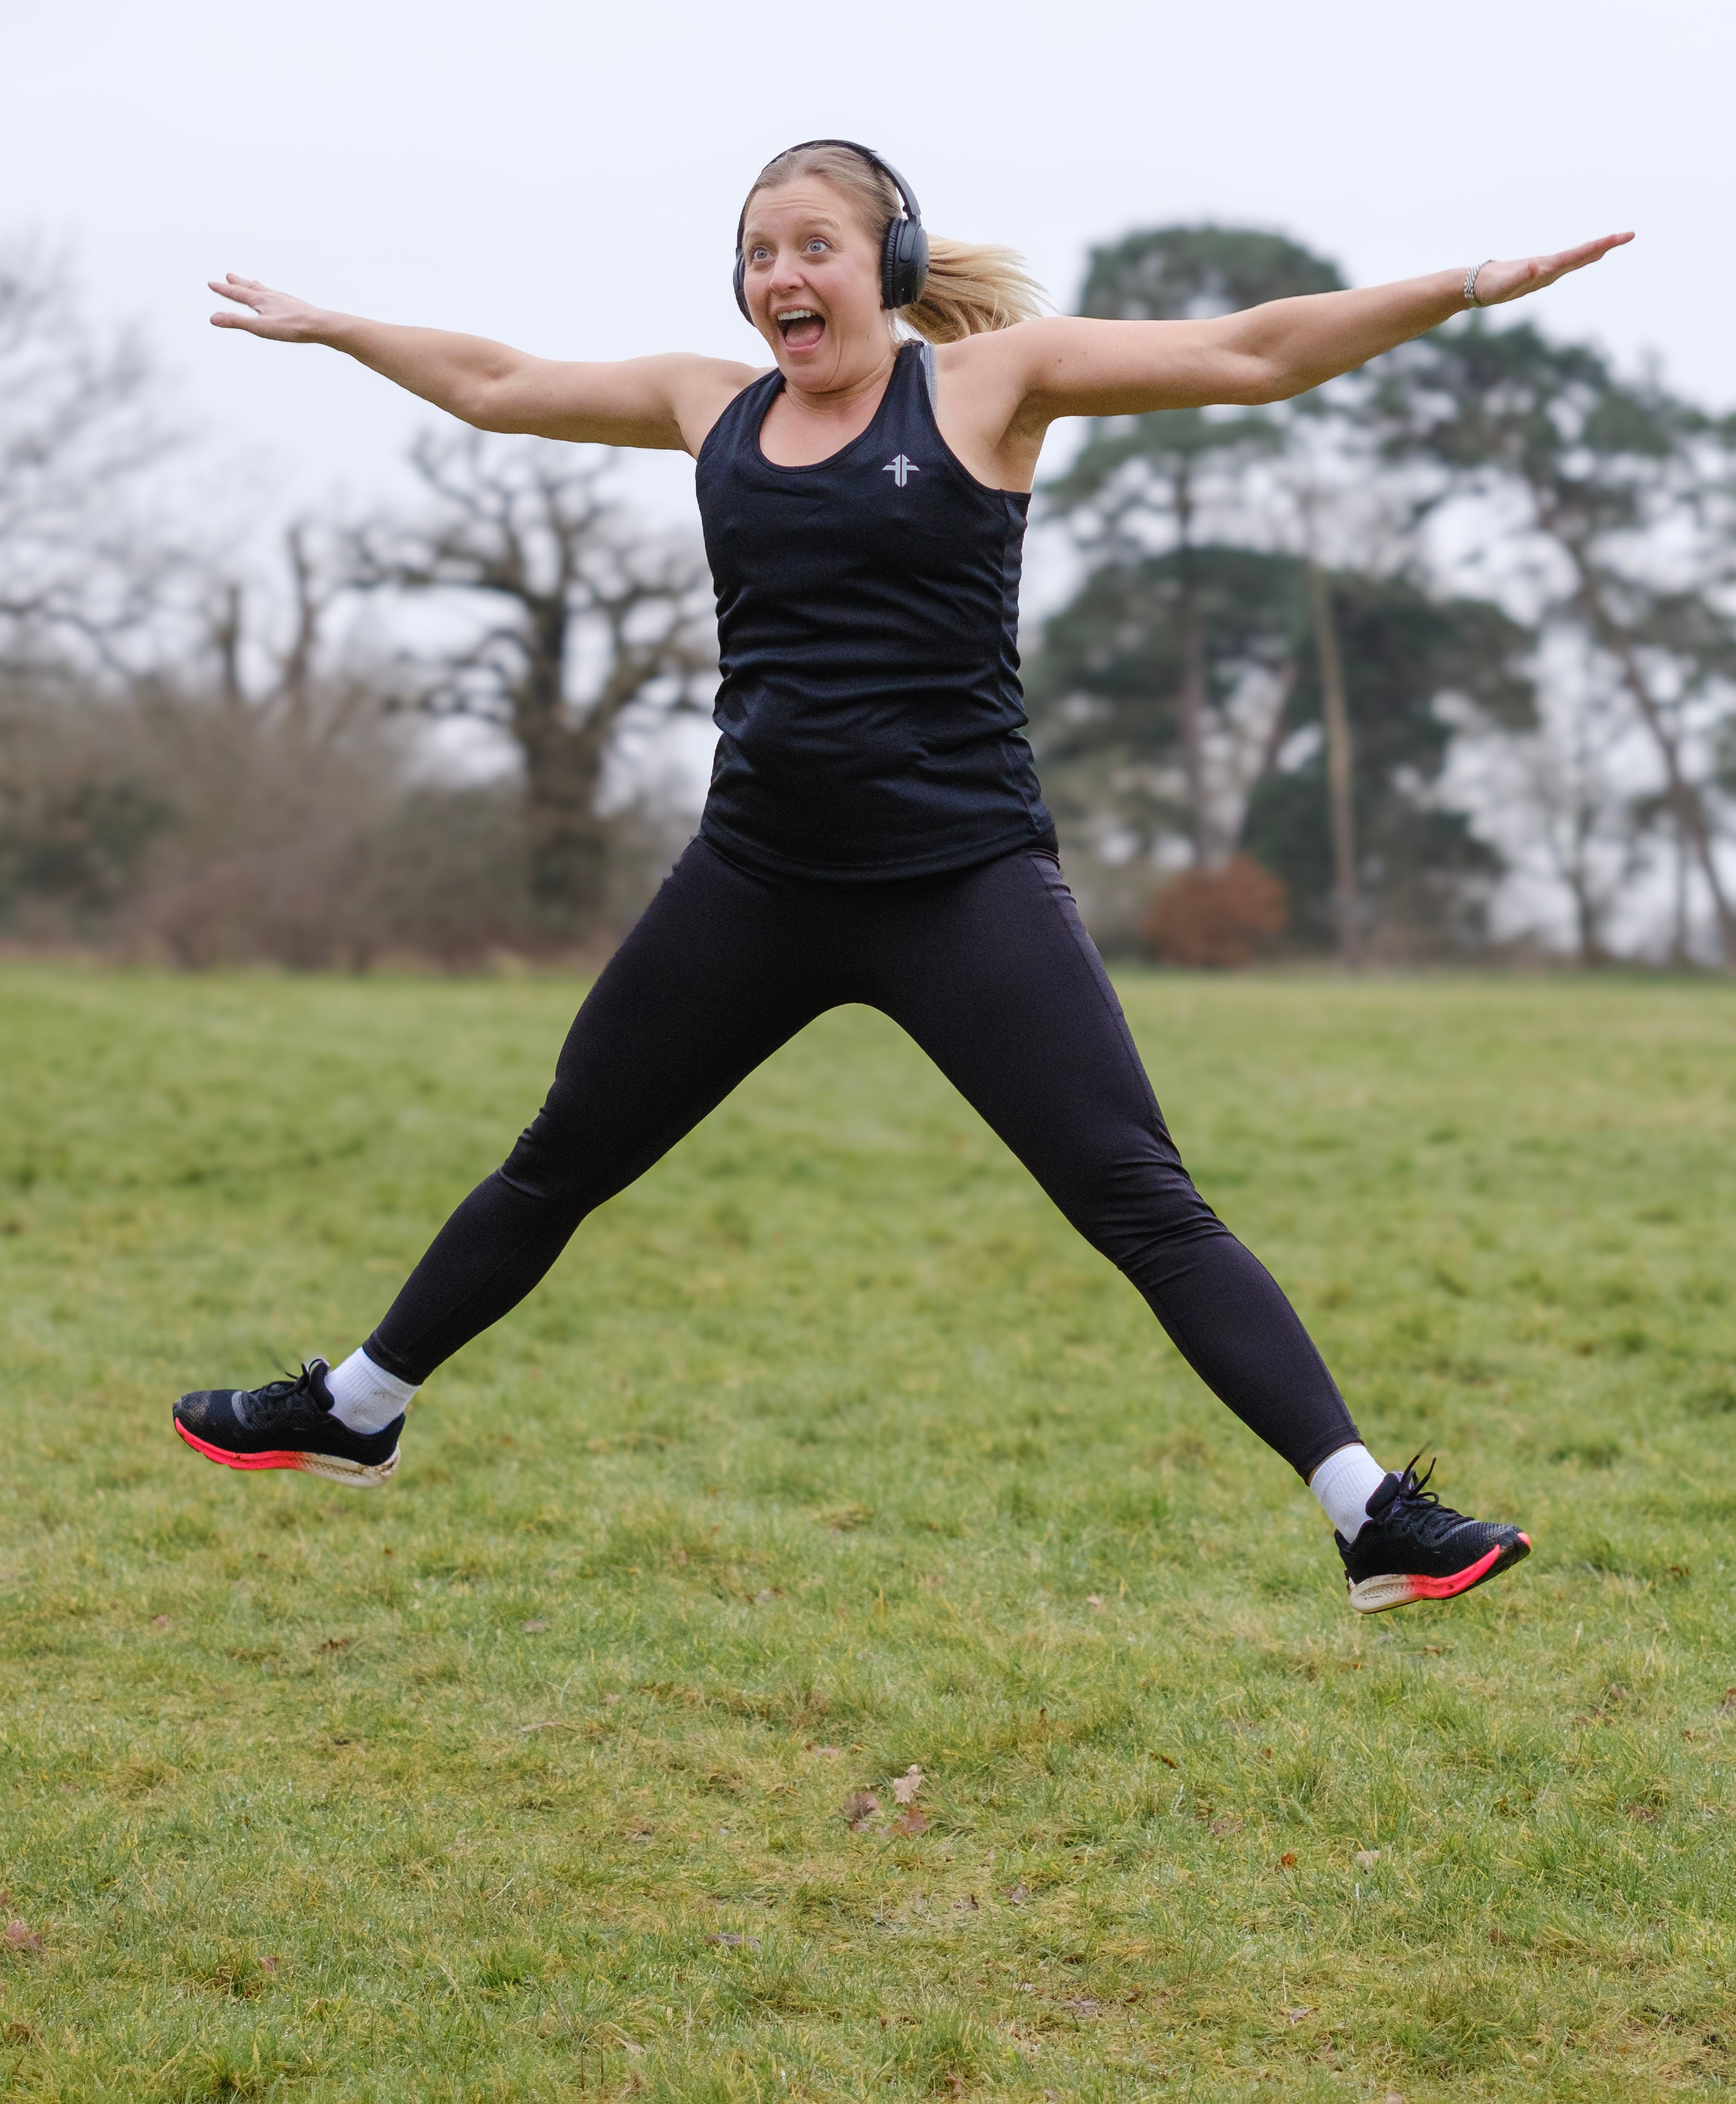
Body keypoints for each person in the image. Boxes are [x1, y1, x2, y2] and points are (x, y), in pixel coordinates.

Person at [172, 140, 1631, 1614]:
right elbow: (496, 383)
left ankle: (1366, 1510)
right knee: (563, 1155)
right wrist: (341, 325)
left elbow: (1250, 354)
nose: (778, 278)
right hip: (755, 881)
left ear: (891, 261)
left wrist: (1462, 286)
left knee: (1141, 1199)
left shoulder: (987, 388)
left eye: (809, 246)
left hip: (960, 883)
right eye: (755, 253)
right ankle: (356, 1407)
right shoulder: (708, 407)